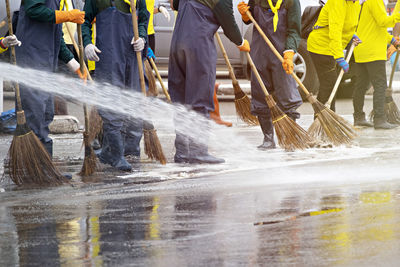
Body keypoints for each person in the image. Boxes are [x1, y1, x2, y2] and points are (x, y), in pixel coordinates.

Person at [169, 0, 250, 164]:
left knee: (180, 100)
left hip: (177, 45)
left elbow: (174, 4)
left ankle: (183, 152)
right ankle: (198, 152)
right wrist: (241, 42)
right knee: (200, 98)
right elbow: (229, 24)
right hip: (198, 46)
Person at [82, 0, 150, 171]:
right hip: (109, 56)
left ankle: (130, 152)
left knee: (134, 102)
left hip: (132, 56)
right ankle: (116, 154)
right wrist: (87, 43)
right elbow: (85, 20)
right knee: (112, 105)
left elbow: (143, 18)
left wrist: (142, 37)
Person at [15, 0, 86, 157]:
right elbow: (33, 10)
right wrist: (66, 15)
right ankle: (33, 167)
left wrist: (74, 64)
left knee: (46, 113)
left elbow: (56, 35)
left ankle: (44, 166)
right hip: (32, 60)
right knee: (35, 113)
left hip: (46, 62)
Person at [238, 0, 302, 150]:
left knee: (287, 94)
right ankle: (268, 138)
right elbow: (250, 17)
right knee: (260, 94)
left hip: (281, 53)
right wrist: (245, 15)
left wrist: (289, 52)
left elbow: (294, 30)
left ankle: (289, 136)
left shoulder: (291, 2)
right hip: (260, 51)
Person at [306, 0, 362, 121]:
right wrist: (339, 57)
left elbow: (347, 25)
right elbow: (335, 31)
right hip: (320, 46)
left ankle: (321, 120)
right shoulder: (337, 2)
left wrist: (352, 35)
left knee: (328, 85)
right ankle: (327, 121)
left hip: (331, 48)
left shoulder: (355, 3)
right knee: (329, 85)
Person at [353, 0, 400, 129]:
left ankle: (358, 117)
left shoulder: (362, 3)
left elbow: (375, 27)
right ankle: (380, 119)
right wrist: (397, 15)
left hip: (361, 50)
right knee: (380, 85)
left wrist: (392, 40)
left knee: (360, 86)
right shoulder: (375, 0)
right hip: (374, 52)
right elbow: (383, 22)